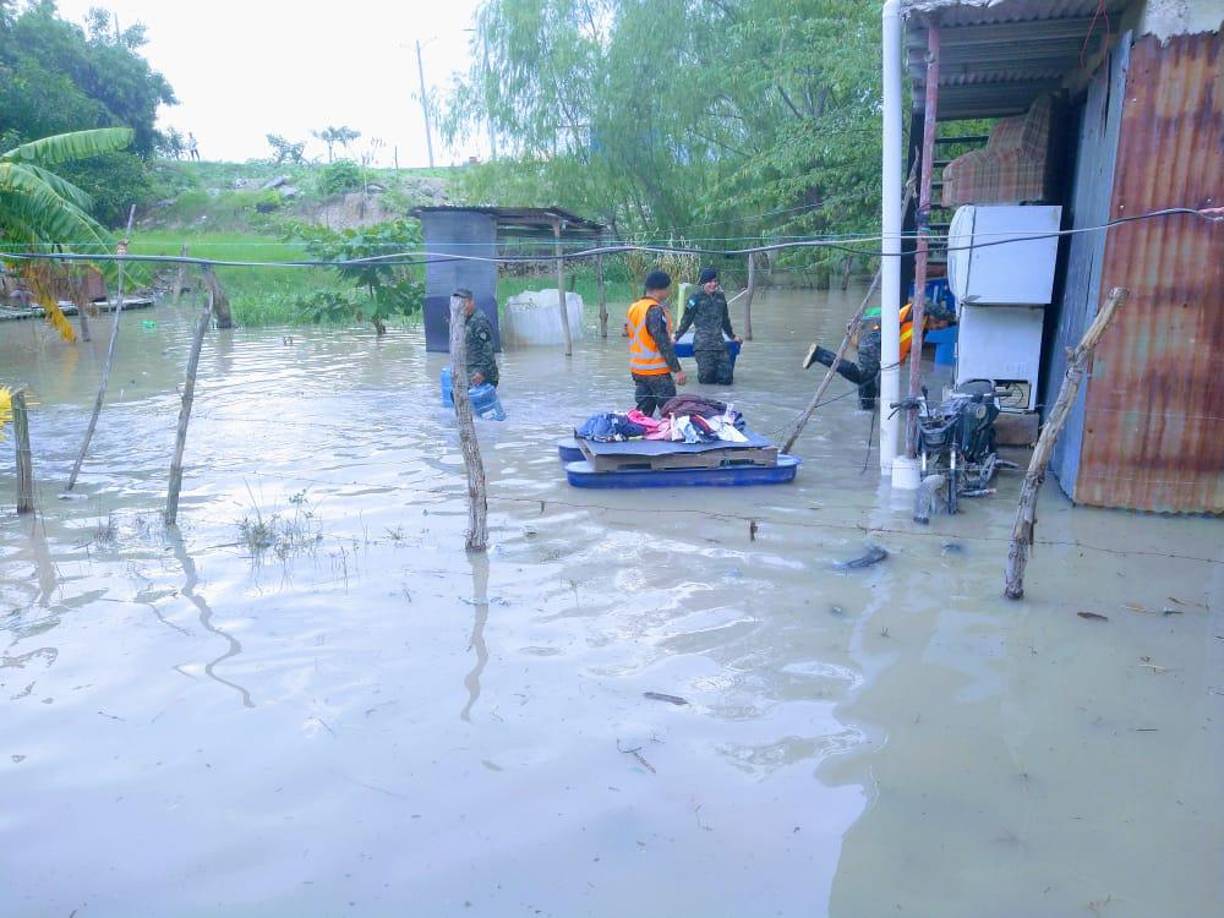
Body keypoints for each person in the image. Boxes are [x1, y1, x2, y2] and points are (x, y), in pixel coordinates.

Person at [801, 300, 950, 409]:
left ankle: (865, 413)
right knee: (862, 378)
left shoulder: (921, 330)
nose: (935, 327)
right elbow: (926, 303)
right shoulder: (915, 313)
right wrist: (950, 315)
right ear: (932, 316)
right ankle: (820, 354)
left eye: (939, 328)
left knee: (869, 395)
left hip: (880, 351)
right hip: (873, 342)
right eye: (936, 323)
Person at [626, 270, 687, 416]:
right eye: (668, 288)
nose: (669, 291)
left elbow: (632, 333)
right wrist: (677, 370)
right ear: (661, 289)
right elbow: (662, 343)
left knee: (642, 415)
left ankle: (639, 437)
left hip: (638, 371)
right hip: (657, 373)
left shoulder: (634, 307)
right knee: (671, 414)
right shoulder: (654, 310)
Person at [674, 266, 741, 385]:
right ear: (703, 283)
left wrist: (732, 336)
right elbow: (686, 320)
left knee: (726, 379)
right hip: (702, 346)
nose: (713, 284)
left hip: (719, 344)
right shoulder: (695, 298)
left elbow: (725, 320)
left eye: (715, 281)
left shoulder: (721, 297)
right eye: (710, 281)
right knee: (706, 380)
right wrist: (676, 337)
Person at [457, 288, 499, 388]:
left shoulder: (480, 322)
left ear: (472, 302)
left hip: (483, 374)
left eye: (464, 303)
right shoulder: (462, 318)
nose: (461, 307)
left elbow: (488, 351)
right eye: (459, 304)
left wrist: (481, 373)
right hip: (470, 370)